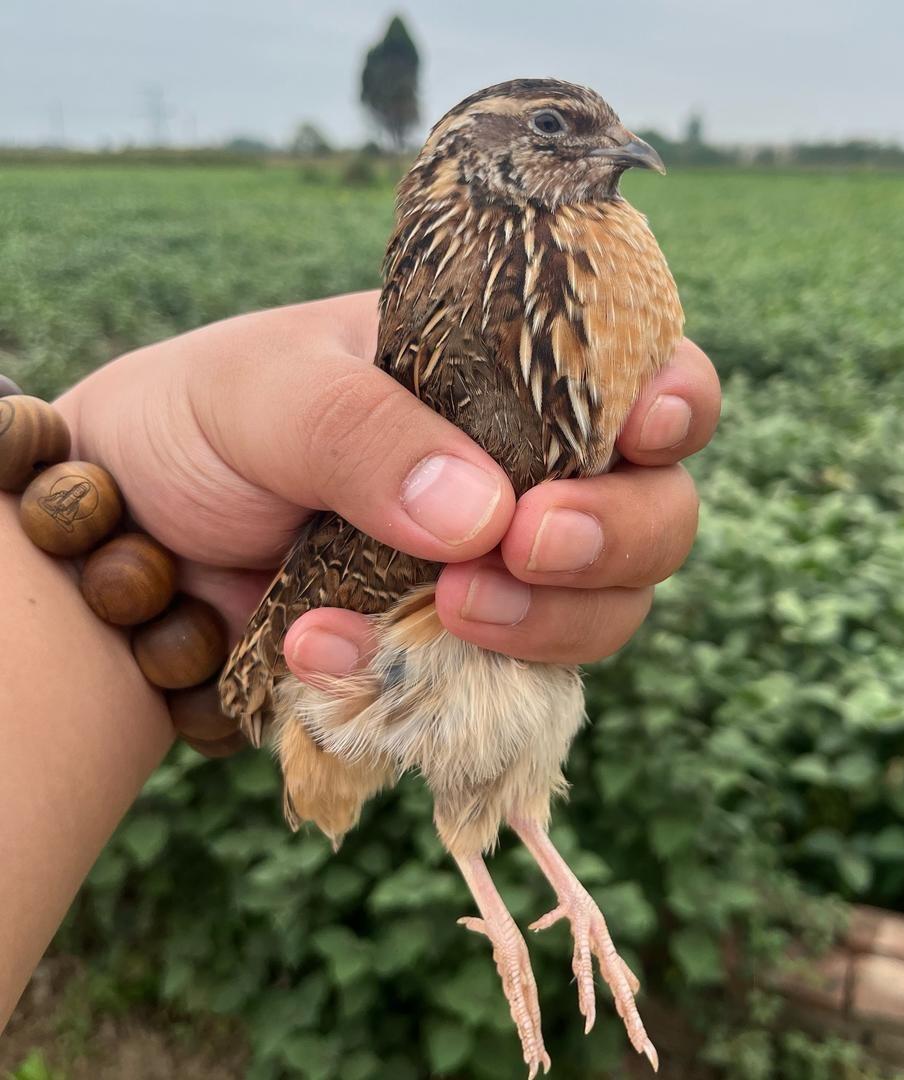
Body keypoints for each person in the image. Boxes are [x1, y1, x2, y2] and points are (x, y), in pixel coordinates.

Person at [0, 290, 721, 1026]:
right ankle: (530, 921)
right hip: (404, 648)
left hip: (426, 645)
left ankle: (560, 907)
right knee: (485, 734)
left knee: (507, 727)